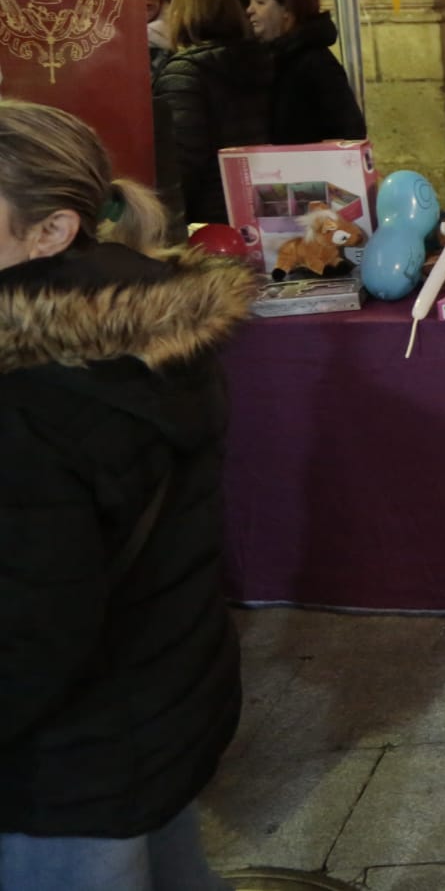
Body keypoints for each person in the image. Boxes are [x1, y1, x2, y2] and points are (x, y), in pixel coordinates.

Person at [0, 99, 250, 890]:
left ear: (51, 231)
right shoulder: (143, 318)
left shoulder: (26, 389)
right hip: (157, 704)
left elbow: (31, 626)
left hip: (63, 765)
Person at [153, 0, 274, 226]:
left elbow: (182, 156)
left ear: (183, 16)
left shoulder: (185, 72)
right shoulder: (264, 60)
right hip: (265, 200)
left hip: (208, 215)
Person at [247, 0, 367, 145]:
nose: (249, 10)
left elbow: (350, 131)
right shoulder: (269, 58)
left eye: (260, 2)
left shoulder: (315, 63)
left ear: (287, 9)